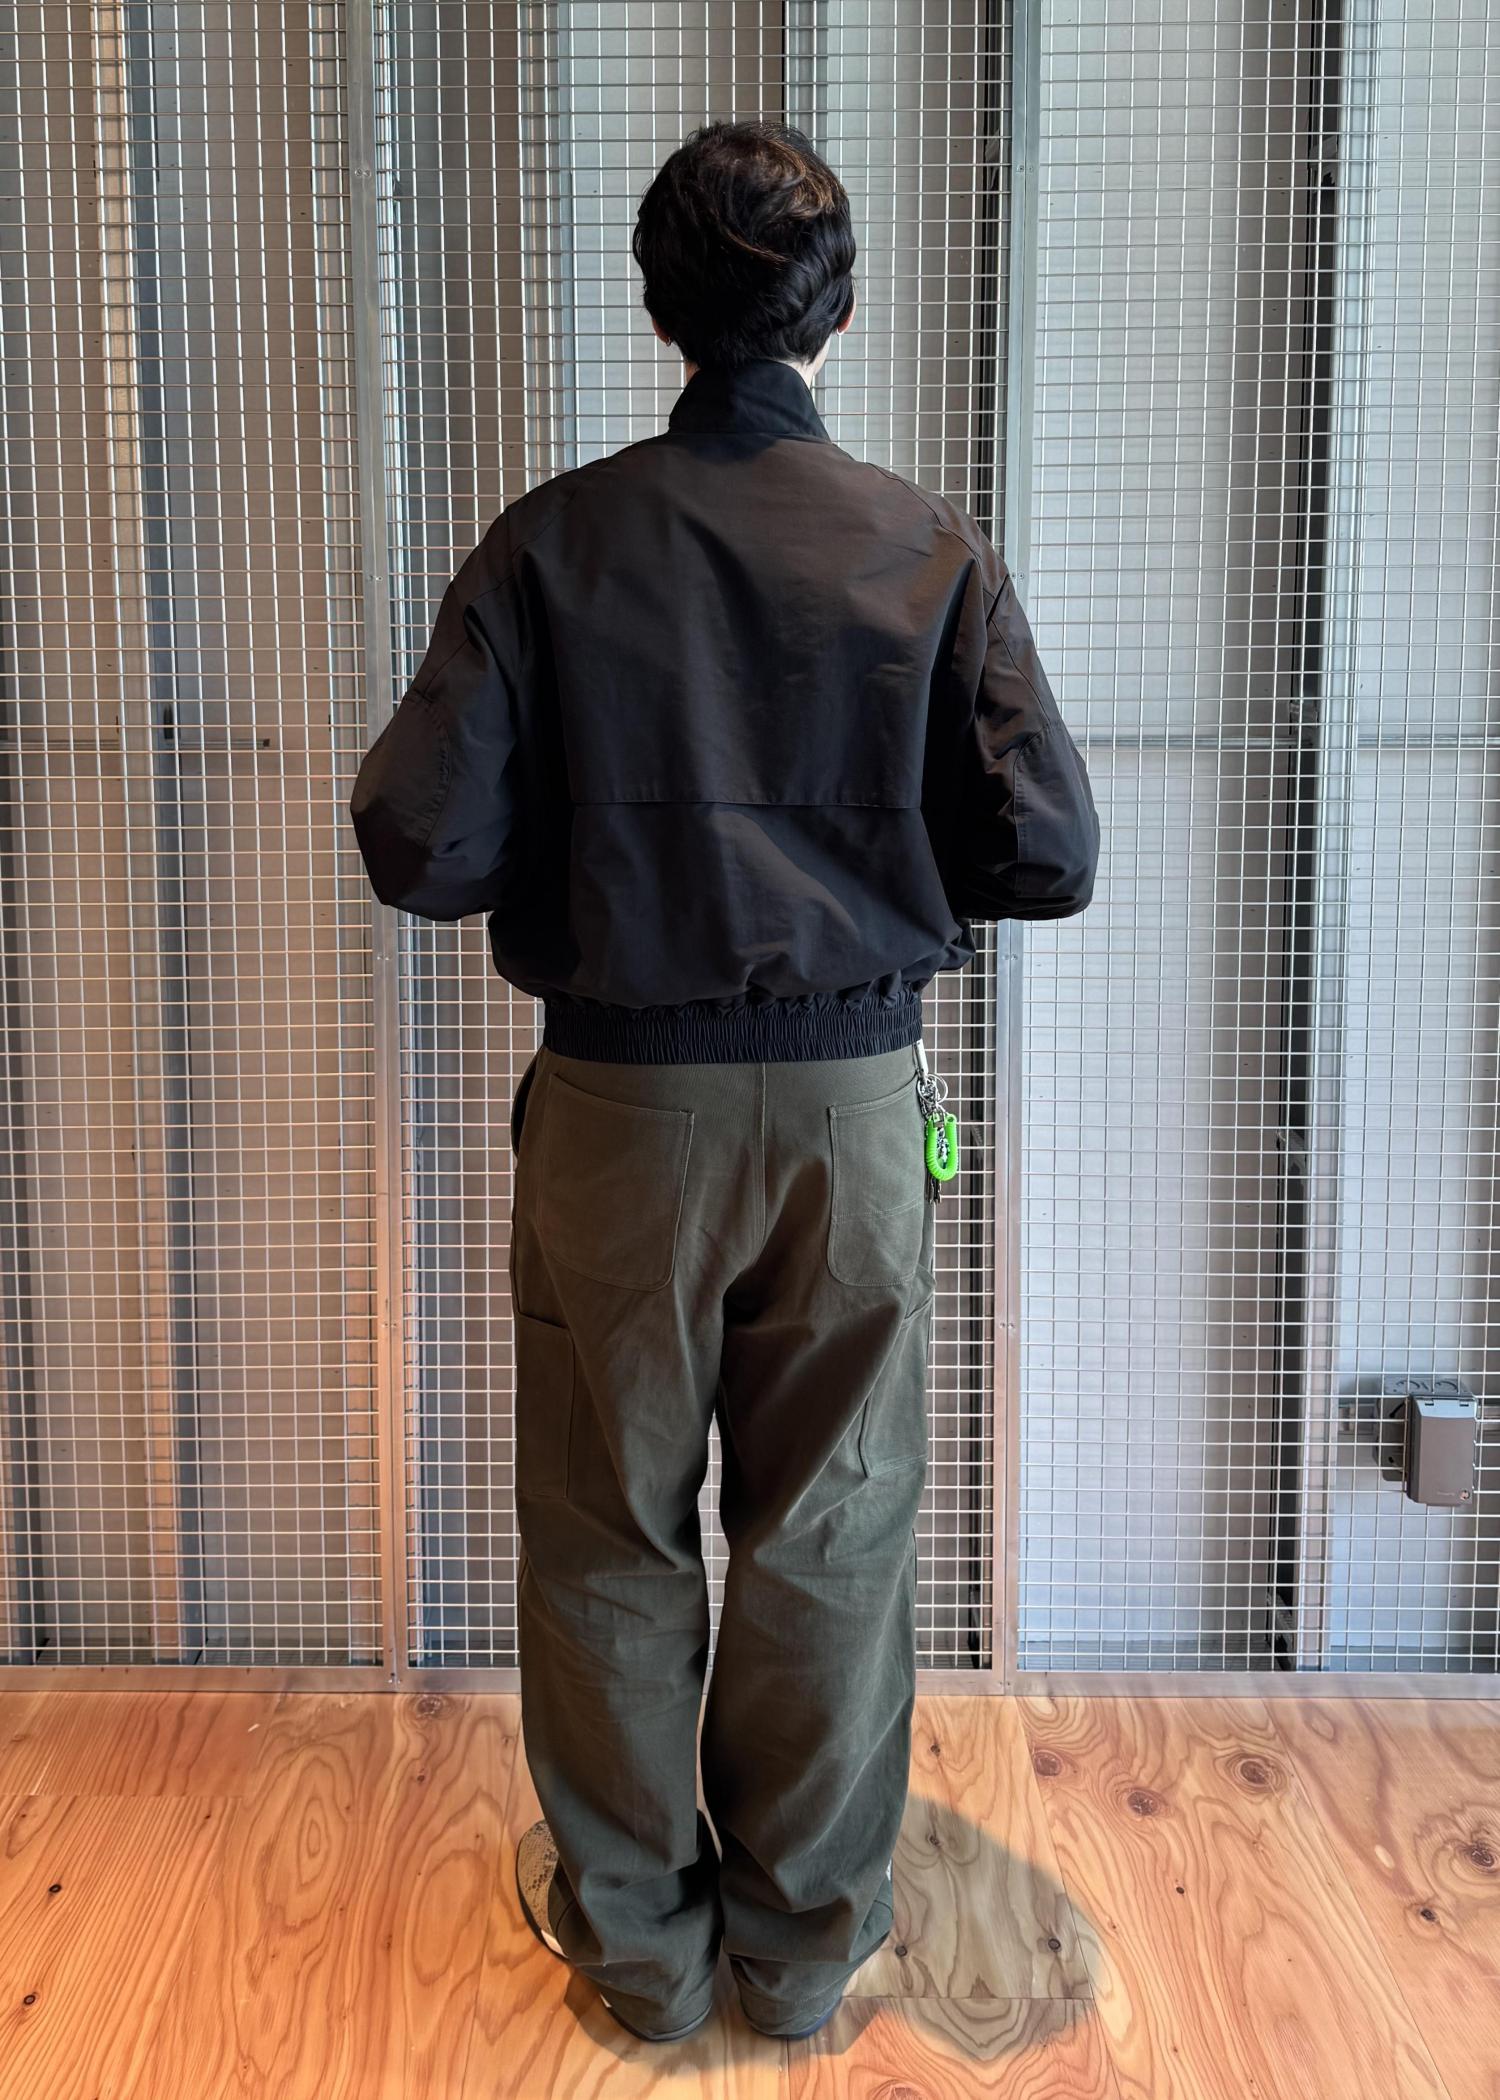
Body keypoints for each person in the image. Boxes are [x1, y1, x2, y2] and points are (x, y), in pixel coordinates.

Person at [349, 118, 1099, 2047]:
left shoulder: (550, 544)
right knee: (832, 1532)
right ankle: (800, 1950)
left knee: (607, 1528)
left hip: (621, 1118)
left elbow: (416, 841)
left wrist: (590, 840)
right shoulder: (926, 548)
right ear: (834, 317)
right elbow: (1050, 854)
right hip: (852, 1116)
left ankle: (640, 1956)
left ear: (660, 307)